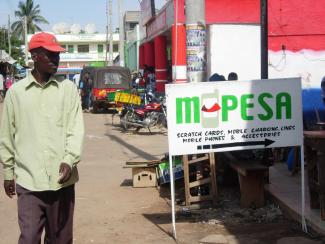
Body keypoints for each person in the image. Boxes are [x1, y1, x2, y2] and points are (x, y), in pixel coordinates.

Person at [0, 32, 84, 244]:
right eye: (50, 55)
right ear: (35, 56)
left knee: (60, 240)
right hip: (29, 182)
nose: (56, 59)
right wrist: (8, 172)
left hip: (61, 183)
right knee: (28, 238)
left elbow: (76, 128)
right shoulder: (16, 93)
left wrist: (69, 159)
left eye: (57, 55)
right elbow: (7, 136)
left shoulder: (68, 90)